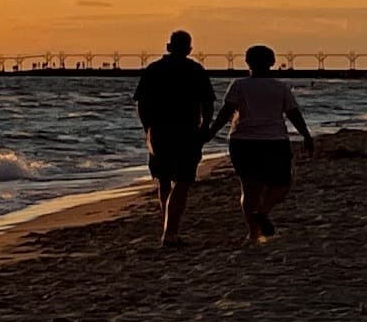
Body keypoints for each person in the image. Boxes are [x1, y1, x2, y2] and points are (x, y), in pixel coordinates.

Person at [214, 46, 313, 243]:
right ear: (272, 62)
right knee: (282, 184)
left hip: (242, 142)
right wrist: (306, 136)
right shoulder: (280, 87)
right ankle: (263, 211)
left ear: (247, 62)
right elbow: (293, 113)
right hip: (274, 141)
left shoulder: (238, 85)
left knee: (249, 188)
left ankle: (253, 234)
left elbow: (226, 112)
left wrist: (209, 133)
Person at [133, 27, 217, 248]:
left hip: (160, 130)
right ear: (189, 49)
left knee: (163, 179)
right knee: (183, 180)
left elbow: (141, 104)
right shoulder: (196, 70)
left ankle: (168, 227)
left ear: (168, 47)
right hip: (187, 130)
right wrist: (206, 127)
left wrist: (146, 128)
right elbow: (208, 103)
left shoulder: (153, 69)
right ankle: (171, 231)